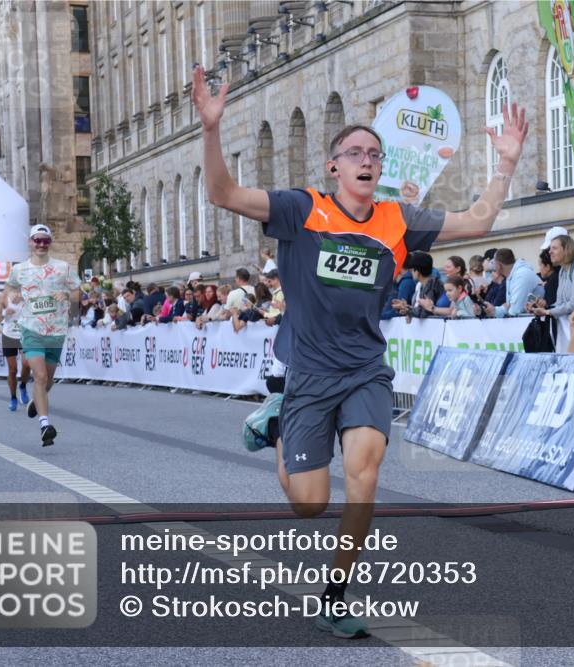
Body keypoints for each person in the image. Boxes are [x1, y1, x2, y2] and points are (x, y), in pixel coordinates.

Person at [193, 63, 528, 637]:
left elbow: (478, 220)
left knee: (366, 477)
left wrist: (506, 164)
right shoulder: (302, 210)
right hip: (310, 372)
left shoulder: (399, 219)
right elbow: (222, 192)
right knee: (308, 504)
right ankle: (279, 426)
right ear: (334, 166)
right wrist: (211, 127)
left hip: (366, 370)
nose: (368, 160)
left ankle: (336, 593)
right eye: (355, 152)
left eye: (375, 153)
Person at [4, 224, 81, 447]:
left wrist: (66, 295)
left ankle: (37, 402)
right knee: (39, 376)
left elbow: (77, 290)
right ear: (30, 242)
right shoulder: (19, 270)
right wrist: (15, 295)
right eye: (37, 240)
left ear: (50, 243)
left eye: (45, 240)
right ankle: (45, 424)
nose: (40, 244)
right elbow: (10, 287)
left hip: (56, 331)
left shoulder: (63, 268)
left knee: (47, 381)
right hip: (30, 329)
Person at [0, 287, 32, 411]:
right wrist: (4, 313)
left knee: (27, 364)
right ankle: (13, 397)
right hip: (9, 335)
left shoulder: (28, 293)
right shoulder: (4, 296)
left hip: (24, 334)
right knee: (13, 369)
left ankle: (23, 386)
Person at [484, 248, 541, 318]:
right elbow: (510, 306)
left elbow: (514, 310)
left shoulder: (521, 275)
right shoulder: (512, 275)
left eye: (494, 264)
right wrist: (494, 310)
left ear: (499, 266)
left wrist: (506, 308)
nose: (493, 269)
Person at [393, 251, 444, 319]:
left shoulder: (432, 285)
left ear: (417, 271)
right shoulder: (422, 285)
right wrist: (405, 307)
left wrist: (407, 308)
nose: (411, 272)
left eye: (412, 269)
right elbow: (420, 309)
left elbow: (425, 312)